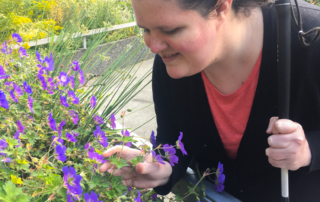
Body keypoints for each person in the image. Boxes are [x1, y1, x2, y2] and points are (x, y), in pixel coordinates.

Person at [99, 0, 320, 201]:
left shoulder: (311, 37)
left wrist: (310, 149)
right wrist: (161, 168)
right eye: (146, 29)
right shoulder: (172, 60)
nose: (154, 47)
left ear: (221, 7)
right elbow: (173, 139)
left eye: (170, 30)